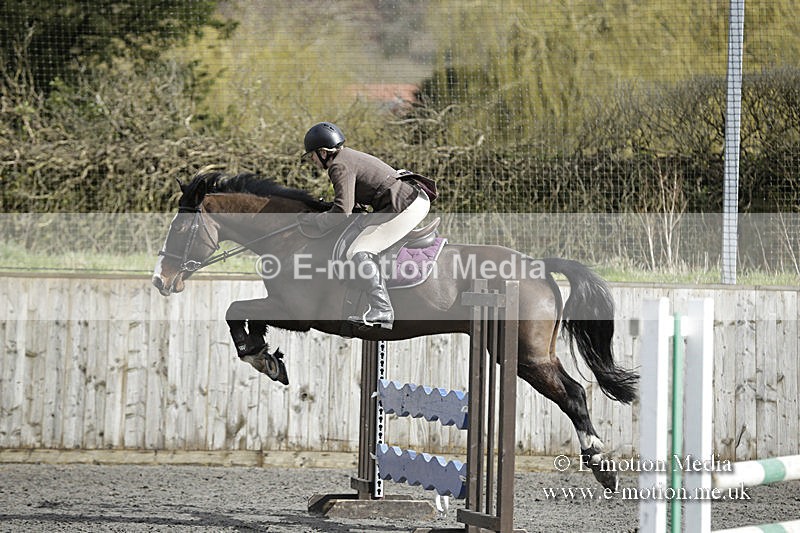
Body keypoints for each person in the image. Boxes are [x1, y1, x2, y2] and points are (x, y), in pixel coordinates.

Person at [299, 121, 431, 329]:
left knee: (358, 251)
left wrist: (315, 220)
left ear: (323, 152)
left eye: (312, 155)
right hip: (409, 199)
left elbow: (342, 212)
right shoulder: (347, 157)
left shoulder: (339, 166)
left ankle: (382, 308)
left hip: (406, 206)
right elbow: (352, 204)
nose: (312, 160)